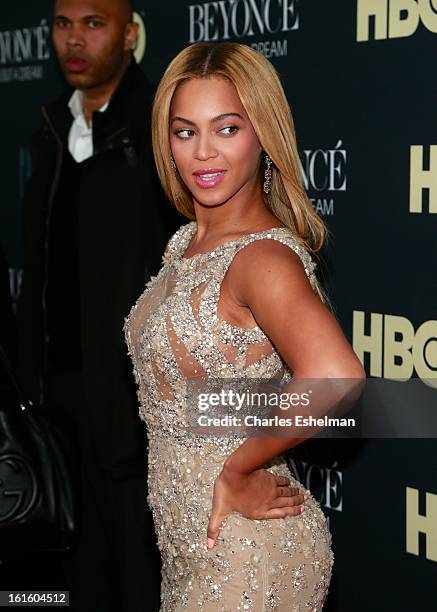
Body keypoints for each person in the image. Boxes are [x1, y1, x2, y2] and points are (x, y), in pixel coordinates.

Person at [124, 41, 365, 611]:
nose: (203, 153)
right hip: (191, 548)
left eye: (227, 129)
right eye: (185, 132)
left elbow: (336, 378)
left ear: (264, 136)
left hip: (248, 553)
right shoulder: (186, 242)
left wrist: (240, 464)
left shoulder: (262, 259)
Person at [17, 0, 179, 610]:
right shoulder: (53, 127)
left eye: (94, 23)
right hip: (56, 396)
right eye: (62, 24)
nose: (74, 40)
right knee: (71, 575)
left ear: (130, 34)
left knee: (136, 576)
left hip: (133, 403)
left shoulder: (157, 128)